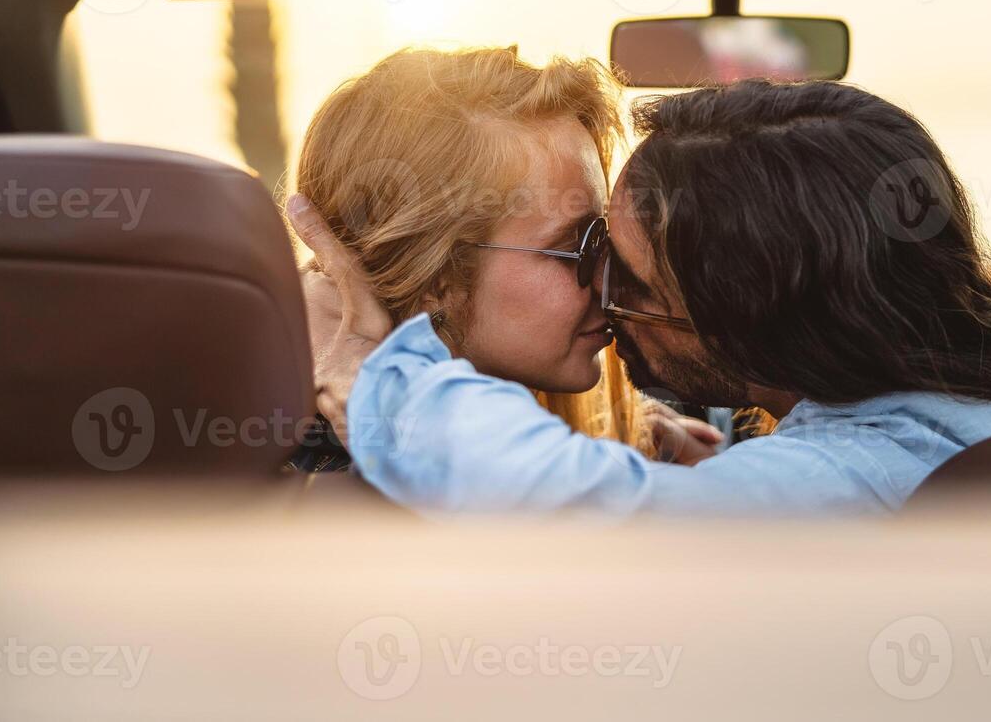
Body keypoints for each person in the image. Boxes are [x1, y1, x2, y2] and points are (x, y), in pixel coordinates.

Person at [292, 78, 991, 514]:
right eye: (575, 251)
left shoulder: (856, 472)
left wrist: (375, 382)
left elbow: (598, 529)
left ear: (756, 311)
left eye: (620, 263)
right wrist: (735, 470)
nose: (608, 295)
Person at [286, 46, 722, 472]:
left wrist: (618, 437)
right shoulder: (355, 493)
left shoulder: (547, 452)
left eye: (606, 236)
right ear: (434, 278)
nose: (612, 275)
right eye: (577, 246)